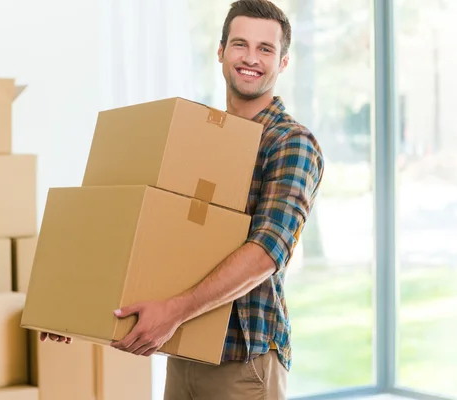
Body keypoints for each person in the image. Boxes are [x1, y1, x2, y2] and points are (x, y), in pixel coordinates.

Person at [40, 0, 324, 398]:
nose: (251, 59)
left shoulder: (291, 142)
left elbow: (267, 252)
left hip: (243, 362)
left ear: (283, 63)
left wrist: (173, 312)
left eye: (266, 49)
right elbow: (150, 228)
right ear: (221, 52)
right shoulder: (201, 136)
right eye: (240, 44)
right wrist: (76, 306)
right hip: (187, 349)